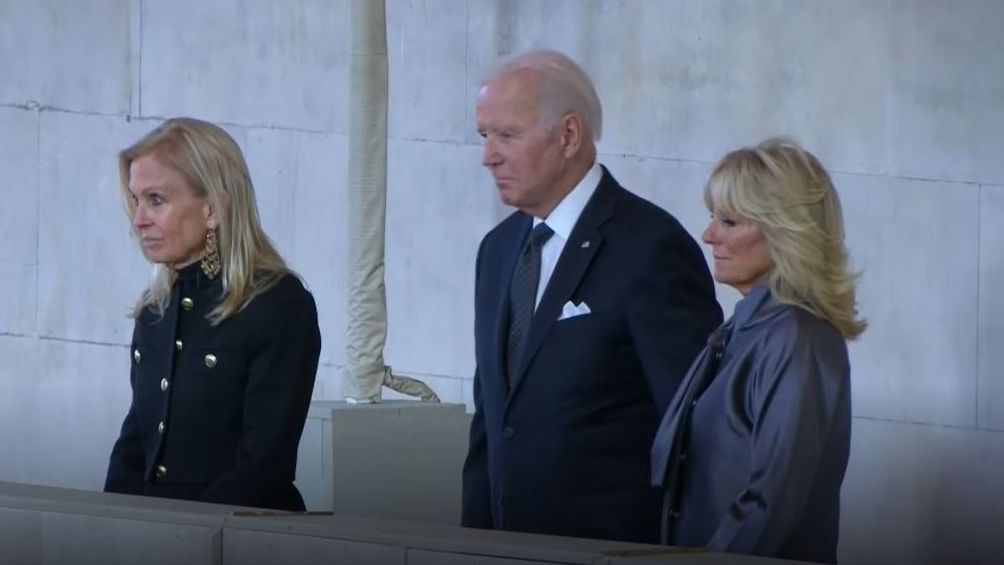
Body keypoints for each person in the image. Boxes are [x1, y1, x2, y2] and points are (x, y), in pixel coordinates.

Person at [461, 49, 722, 543]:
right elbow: (492, 420)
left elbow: (694, 427)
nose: (488, 155)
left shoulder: (650, 248)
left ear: (569, 135)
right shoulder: (496, 251)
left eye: (507, 135)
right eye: (485, 135)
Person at [651, 137, 866, 563]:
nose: (708, 235)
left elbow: (772, 499)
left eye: (729, 221)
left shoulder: (796, 338)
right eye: (713, 217)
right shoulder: (747, 327)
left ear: (784, 231)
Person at [104, 117, 321, 511]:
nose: (138, 220)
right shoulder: (156, 309)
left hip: (238, 536)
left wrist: (188, 536)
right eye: (137, 201)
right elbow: (136, 444)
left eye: (156, 200)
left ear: (212, 210)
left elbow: (264, 464)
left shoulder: (277, 305)